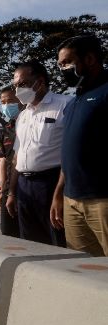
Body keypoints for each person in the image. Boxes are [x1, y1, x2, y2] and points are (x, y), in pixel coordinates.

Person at [50, 35, 108, 256]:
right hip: (72, 199)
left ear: (90, 58)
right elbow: (69, 153)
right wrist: (59, 193)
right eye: (60, 65)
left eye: (67, 63)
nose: (63, 69)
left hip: (102, 200)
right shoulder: (74, 102)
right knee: (84, 269)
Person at [5, 61, 71, 246]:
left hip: (51, 183)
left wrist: (59, 194)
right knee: (30, 244)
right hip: (24, 186)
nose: (18, 90)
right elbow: (18, 156)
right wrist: (12, 192)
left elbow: (70, 153)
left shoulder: (64, 105)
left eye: (23, 84)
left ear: (40, 82)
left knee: (57, 242)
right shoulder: (23, 116)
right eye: (15, 85)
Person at [0, 87, 23, 238]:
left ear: (21, 100)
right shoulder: (6, 129)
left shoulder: (30, 122)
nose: (7, 105)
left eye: (11, 101)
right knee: (8, 233)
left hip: (26, 186)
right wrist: (2, 189)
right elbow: (3, 159)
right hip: (8, 189)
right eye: (3, 102)